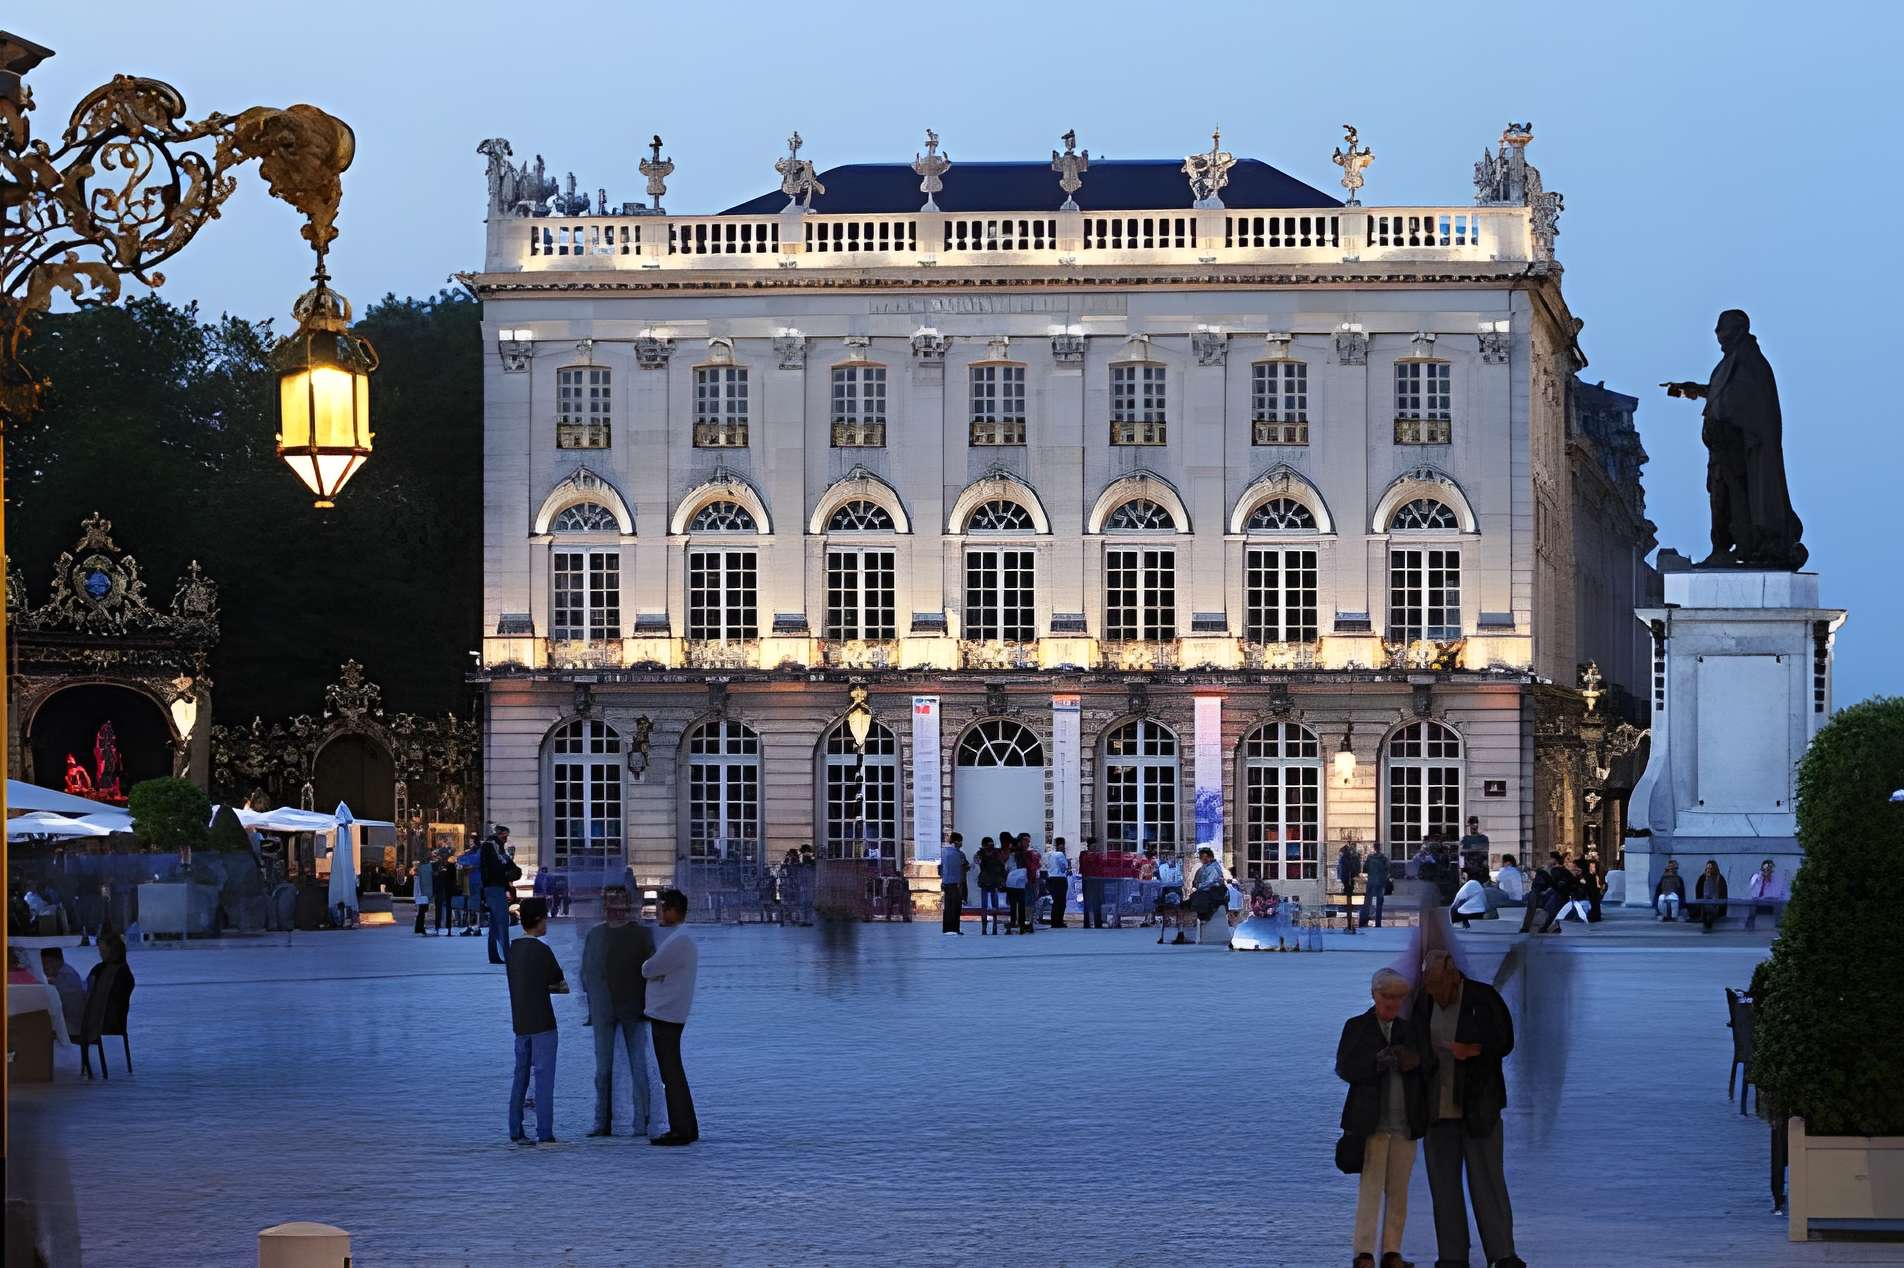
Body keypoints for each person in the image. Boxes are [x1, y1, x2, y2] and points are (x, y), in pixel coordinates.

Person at [1414, 948, 1523, 1268]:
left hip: (1478, 1106)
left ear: (1453, 975)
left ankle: (1502, 1255)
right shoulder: (1424, 1002)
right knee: (1443, 1187)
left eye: (1439, 987)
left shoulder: (1483, 998)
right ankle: (1451, 1256)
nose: (1437, 994)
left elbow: (1504, 1041)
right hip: (1437, 1109)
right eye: (1430, 988)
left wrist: (1474, 1050)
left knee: (1487, 1182)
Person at [1338, 967, 1428, 1268]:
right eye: (1387, 997)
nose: (1392, 1003)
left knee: (1399, 1190)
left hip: (1405, 1121)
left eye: (1397, 998)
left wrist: (1411, 1062)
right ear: (1374, 995)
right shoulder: (1357, 1027)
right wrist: (1376, 1064)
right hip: (1370, 1121)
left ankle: (1391, 1252)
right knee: (1370, 1188)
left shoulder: (1409, 1030)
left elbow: (1427, 1066)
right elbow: (1346, 1069)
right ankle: (1364, 1252)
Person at [580, 885, 655, 1138]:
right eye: (611, 903)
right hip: (610, 1008)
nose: (615, 909)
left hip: (630, 1008)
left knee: (635, 1067)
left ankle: (637, 1121)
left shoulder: (639, 935)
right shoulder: (597, 935)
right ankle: (606, 1122)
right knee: (606, 1070)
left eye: (618, 903)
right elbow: (587, 972)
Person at [505, 897, 568, 1145]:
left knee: (520, 1076)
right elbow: (559, 983)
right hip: (543, 1021)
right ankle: (545, 1131)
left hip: (520, 1021)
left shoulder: (513, 950)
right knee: (544, 1079)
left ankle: (515, 1128)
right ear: (540, 919)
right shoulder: (542, 950)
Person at [642, 889, 700, 1145]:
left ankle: (680, 1129)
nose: (659, 914)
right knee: (673, 1071)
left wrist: (650, 967)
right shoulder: (682, 938)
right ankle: (687, 1126)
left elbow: (648, 969)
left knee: (671, 1074)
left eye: (663, 908)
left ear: (674, 910)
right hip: (671, 1012)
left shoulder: (679, 941)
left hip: (667, 1013)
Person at [480, 825, 517, 964]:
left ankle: (495, 955)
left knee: (495, 923)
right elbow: (499, 865)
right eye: (504, 836)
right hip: (495, 886)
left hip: (493, 886)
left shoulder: (492, 845)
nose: (506, 839)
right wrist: (509, 872)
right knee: (502, 921)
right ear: (499, 834)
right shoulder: (493, 846)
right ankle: (506, 954)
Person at [41, 947, 87, 1039]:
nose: (43, 967)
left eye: (45, 963)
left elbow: (58, 1008)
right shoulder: (64, 972)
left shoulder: (66, 977)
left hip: (71, 1026)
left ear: (53, 961)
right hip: (72, 1021)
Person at [1188, 847, 1227, 930]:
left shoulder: (1213, 868)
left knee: (1199, 898)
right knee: (1195, 897)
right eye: (1201, 857)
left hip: (1214, 892)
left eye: (1203, 857)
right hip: (1208, 890)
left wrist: (1198, 887)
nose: (1201, 859)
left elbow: (1209, 882)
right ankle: (1201, 918)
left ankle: (1204, 919)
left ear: (1209, 857)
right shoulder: (1205, 866)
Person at [1743, 859, 1787, 931]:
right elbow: (1750, 889)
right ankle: (1750, 924)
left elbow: (1779, 893)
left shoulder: (1776, 879)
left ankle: (1779, 923)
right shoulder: (1756, 877)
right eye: (1765, 869)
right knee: (1753, 904)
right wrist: (1759, 879)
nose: (1767, 872)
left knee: (1778, 904)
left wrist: (1773, 897)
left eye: (1769, 870)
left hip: (1771, 901)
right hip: (1759, 901)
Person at [975, 837, 1006, 935]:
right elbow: (1002, 866)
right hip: (994, 881)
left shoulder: (981, 853)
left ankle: (986, 927)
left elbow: (976, 862)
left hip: (986, 880)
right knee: (993, 905)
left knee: (985, 905)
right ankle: (993, 926)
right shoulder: (996, 853)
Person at [939, 832, 968, 935]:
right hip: (957, 883)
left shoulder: (943, 852)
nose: (961, 844)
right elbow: (965, 866)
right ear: (957, 841)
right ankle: (955, 928)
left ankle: (946, 929)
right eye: (961, 842)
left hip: (946, 882)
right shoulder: (960, 854)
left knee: (948, 907)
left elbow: (940, 868)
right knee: (955, 907)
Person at [1694, 859, 1728, 933]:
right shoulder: (1702, 878)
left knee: (1710, 910)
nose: (1708, 870)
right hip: (1705, 902)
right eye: (1707, 868)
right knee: (1706, 908)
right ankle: (1706, 923)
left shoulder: (1720, 879)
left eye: (1710, 868)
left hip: (1715, 903)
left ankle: (1708, 924)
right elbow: (1698, 892)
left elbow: (1723, 894)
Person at [1079, 838, 1108, 929]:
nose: (1094, 847)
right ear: (1090, 845)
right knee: (1094, 902)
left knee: (1090, 902)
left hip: (1087, 880)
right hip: (1094, 880)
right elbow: (1101, 866)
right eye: (1093, 845)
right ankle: (1096, 923)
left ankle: (1088, 923)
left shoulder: (1083, 855)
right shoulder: (1096, 855)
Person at [1044, 837, 1071, 928]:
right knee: (1061, 902)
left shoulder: (1049, 854)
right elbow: (1064, 868)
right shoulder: (1060, 855)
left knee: (1055, 901)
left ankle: (1054, 921)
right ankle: (1059, 921)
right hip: (1060, 879)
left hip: (1050, 878)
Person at [1003, 848, 1029, 936]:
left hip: (1011, 885)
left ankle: (1013, 921)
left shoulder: (1010, 859)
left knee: (1013, 905)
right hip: (1020, 885)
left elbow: (1006, 869)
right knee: (1021, 905)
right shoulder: (1023, 858)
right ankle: (1022, 923)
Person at [1362, 848, 1391, 928]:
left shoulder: (1370, 858)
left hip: (1371, 881)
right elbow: (1388, 870)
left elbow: (1365, 869)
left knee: (1368, 901)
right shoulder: (1384, 858)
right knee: (1379, 902)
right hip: (1380, 882)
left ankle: (1365, 919)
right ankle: (1378, 921)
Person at [431, 848, 457, 935]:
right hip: (441, 889)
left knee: (445, 908)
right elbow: (433, 877)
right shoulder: (436, 865)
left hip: (445, 889)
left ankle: (445, 927)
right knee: (441, 908)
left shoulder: (450, 865)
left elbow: (453, 878)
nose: (443, 856)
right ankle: (440, 927)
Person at [1336, 842, 1361, 926]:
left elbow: (1341, 869)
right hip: (1349, 878)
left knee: (1347, 892)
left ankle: (1347, 907)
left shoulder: (1344, 858)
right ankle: (1348, 907)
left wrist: (1340, 876)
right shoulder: (1351, 857)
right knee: (1349, 892)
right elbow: (1354, 868)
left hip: (1346, 878)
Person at [411, 861, 431, 935]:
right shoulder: (419, 876)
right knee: (422, 911)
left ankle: (419, 927)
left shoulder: (417, 875)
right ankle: (420, 927)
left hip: (420, 895)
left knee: (421, 912)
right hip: (422, 895)